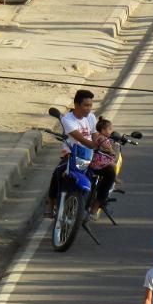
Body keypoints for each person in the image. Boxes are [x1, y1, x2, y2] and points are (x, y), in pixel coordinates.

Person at [46, 89, 99, 217]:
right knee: (58, 173)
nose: (88, 108)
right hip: (72, 154)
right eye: (86, 105)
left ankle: (94, 207)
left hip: (88, 155)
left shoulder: (91, 117)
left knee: (107, 172)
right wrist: (96, 144)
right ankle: (51, 206)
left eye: (90, 105)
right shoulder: (67, 119)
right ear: (76, 105)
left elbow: (94, 133)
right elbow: (81, 139)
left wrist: (99, 141)